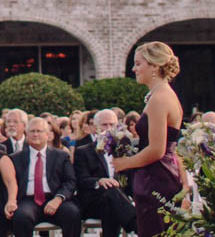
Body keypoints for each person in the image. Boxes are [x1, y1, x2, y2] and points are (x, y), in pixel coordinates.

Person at [114, 42, 184, 237]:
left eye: (138, 63)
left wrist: (124, 163)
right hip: (158, 174)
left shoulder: (160, 99)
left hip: (157, 178)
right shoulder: (159, 95)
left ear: (154, 65)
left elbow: (156, 149)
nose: (134, 68)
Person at [9, 118, 80, 237]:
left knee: (72, 213)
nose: (35, 134)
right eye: (32, 131)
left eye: (39, 131)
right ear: (26, 134)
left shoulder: (61, 156)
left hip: (55, 197)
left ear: (47, 135)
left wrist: (58, 199)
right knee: (21, 217)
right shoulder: (15, 158)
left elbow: (70, 181)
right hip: (28, 200)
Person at [72, 110, 138, 237]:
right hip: (92, 201)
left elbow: (131, 182)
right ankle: (136, 225)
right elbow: (80, 180)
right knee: (110, 193)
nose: (108, 129)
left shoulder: (124, 152)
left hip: (116, 202)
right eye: (104, 125)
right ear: (95, 128)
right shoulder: (83, 152)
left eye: (112, 125)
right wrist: (99, 181)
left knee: (110, 200)